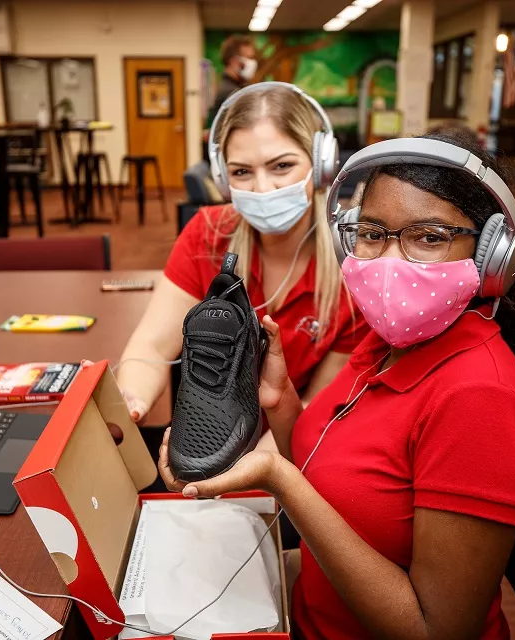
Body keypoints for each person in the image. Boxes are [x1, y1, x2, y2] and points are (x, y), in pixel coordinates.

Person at [157, 129, 515, 638]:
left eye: (429, 237)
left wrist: (279, 480)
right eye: (372, 233)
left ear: (493, 256)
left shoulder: (481, 400)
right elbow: (335, 462)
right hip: (300, 611)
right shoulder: (387, 343)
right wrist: (280, 401)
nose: (390, 261)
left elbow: (435, 630)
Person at [117, 83, 367, 446]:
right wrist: (133, 400)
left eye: (282, 166)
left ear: (322, 164)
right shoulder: (207, 234)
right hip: (205, 439)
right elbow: (152, 349)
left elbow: (318, 407)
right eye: (241, 172)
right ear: (222, 178)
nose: (263, 188)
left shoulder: (355, 260)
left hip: (300, 447)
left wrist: (256, 472)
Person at [207, 35, 257, 127]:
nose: (253, 63)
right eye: (249, 58)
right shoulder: (232, 93)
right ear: (234, 61)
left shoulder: (228, 86)